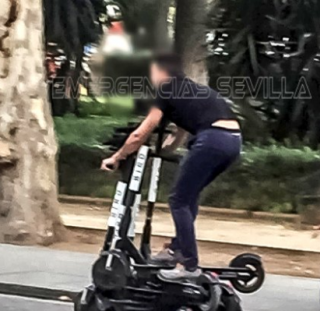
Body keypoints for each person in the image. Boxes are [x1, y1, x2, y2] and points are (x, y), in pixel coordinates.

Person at [100, 52, 242, 280]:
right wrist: (164, 151)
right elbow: (180, 132)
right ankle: (176, 249)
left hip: (212, 139)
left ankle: (189, 265)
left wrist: (116, 157)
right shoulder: (189, 89)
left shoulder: (165, 89)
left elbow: (140, 133)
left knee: (177, 200)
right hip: (233, 141)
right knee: (188, 197)